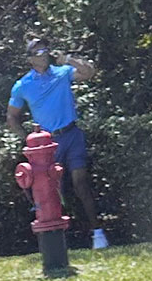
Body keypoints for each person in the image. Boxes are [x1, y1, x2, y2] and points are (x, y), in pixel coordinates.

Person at [6, 37, 108, 249]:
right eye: (37, 52)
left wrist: (68, 59)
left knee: (80, 183)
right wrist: (29, 140)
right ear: (29, 59)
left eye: (44, 49)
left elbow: (89, 73)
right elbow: (12, 118)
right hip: (47, 144)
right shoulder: (22, 86)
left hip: (72, 134)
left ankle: (98, 233)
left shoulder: (62, 73)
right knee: (52, 192)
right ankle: (59, 241)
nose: (42, 54)